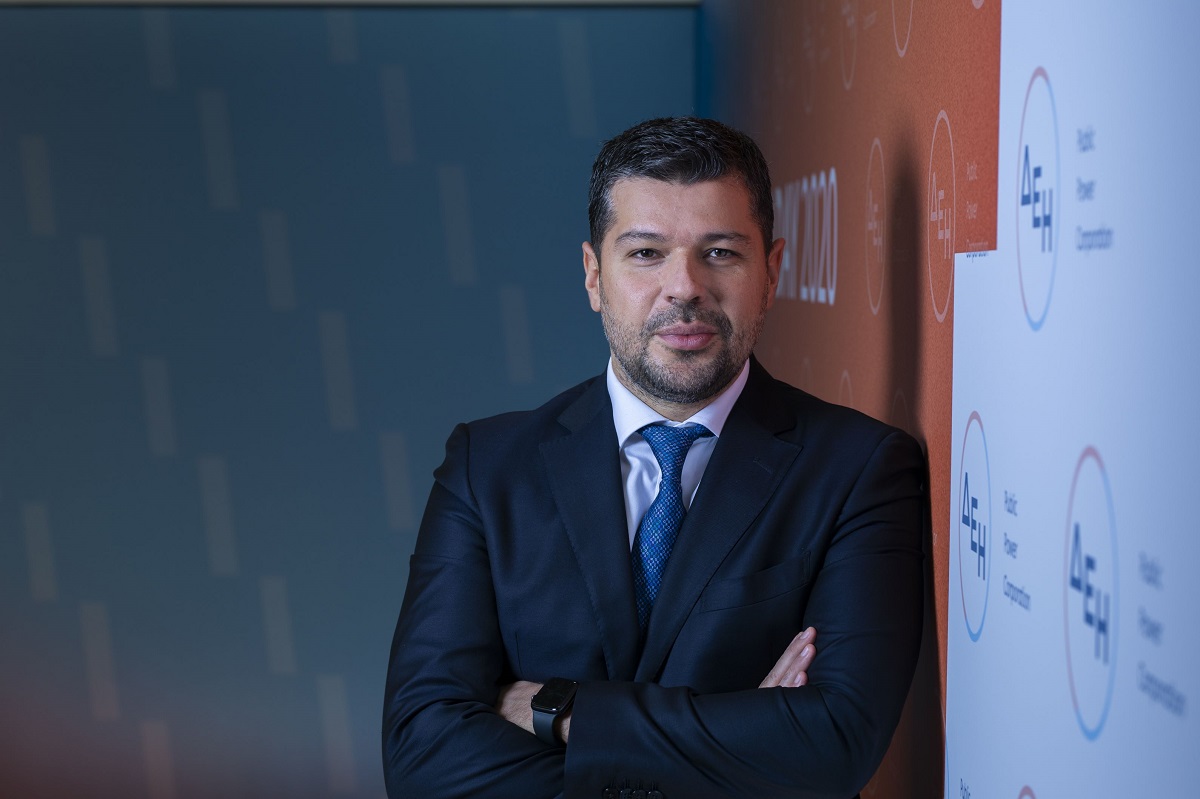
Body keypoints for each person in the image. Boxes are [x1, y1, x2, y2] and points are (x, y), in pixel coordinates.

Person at [383, 117, 925, 799]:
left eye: (720, 252)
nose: (684, 287)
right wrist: (742, 748)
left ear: (771, 272)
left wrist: (562, 713)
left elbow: (832, 745)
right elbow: (421, 756)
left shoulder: (859, 470)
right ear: (593, 275)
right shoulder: (485, 469)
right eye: (645, 253)